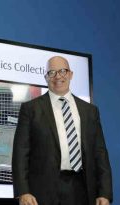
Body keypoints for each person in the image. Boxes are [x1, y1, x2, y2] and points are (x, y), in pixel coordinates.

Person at [12, 56, 113, 205]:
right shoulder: (31, 109)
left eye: (62, 71)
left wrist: (104, 192)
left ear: (70, 74)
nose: (58, 76)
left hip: (83, 189)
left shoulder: (90, 111)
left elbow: (100, 153)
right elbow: (20, 153)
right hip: (42, 192)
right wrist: (23, 191)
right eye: (51, 72)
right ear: (46, 77)